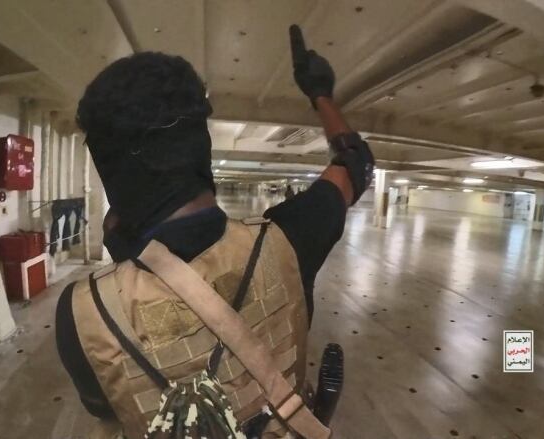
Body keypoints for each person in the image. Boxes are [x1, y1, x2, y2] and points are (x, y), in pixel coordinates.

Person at [56, 25, 374, 438]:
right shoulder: (291, 238)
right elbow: (355, 162)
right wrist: (320, 92)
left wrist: (124, 244)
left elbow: (110, 413)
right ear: (199, 146)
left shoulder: (81, 312)